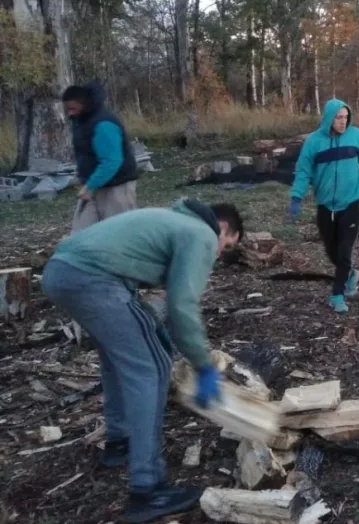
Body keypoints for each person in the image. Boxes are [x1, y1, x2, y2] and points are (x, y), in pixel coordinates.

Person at [41, 198, 244, 523]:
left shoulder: (169, 219)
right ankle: (147, 489)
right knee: (152, 368)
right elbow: (182, 306)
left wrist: (154, 329)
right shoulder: (200, 234)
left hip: (62, 272)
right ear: (221, 228)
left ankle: (119, 441)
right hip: (94, 279)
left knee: (116, 356)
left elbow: (137, 286)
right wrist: (204, 365)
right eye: (228, 244)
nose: (221, 253)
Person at [289, 99, 359, 314]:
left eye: (346, 117)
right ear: (329, 118)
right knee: (332, 251)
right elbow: (303, 171)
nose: (343, 122)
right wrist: (296, 198)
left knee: (345, 251)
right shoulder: (313, 142)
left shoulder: (355, 136)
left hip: (351, 203)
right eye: (339, 118)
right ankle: (351, 273)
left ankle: (337, 294)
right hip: (326, 205)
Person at [62, 81, 139, 232]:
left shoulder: (103, 124)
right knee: (81, 236)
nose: (69, 113)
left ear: (83, 103)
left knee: (120, 236)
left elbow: (112, 161)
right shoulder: (81, 121)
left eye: (72, 108)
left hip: (116, 187)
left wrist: (90, 184)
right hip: (93, 186)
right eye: (67, 109)